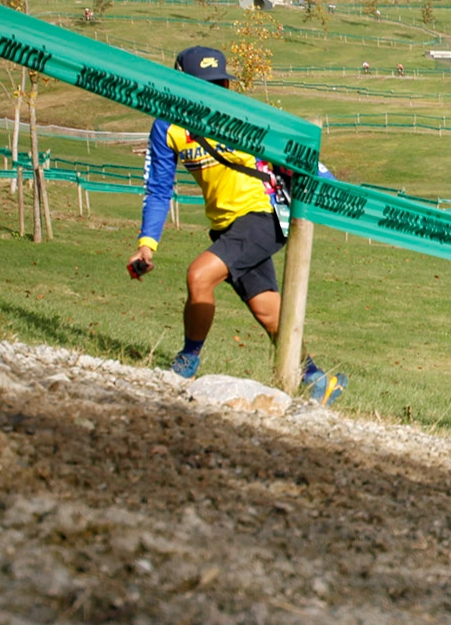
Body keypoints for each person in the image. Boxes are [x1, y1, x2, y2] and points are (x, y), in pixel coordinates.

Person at [128, 45, 346, 404]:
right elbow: (158, 188)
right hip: (226, 226)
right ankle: (318, 381)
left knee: (199, 275)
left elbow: (298, 154)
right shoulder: (168, 127)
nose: (215, 92)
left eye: (220, 83)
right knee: (268, 311)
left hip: (265, 217)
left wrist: (335, 191)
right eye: (204, 85)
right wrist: (146, 245)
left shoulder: (245, 116)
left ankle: (186, 364)